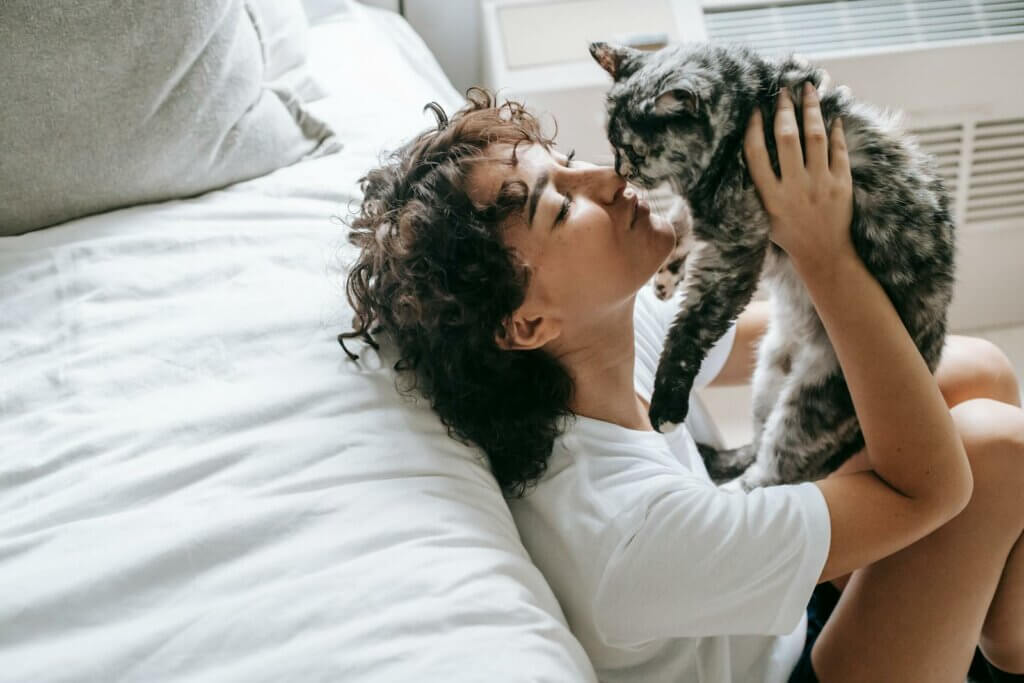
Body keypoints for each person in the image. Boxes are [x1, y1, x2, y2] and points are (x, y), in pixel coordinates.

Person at [339, 87, 1024, 682]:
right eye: (560, 206)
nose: (608, 178)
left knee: (974, 368)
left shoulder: (593, 344)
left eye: (571, 163)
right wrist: (822, 251)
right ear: (527, 324)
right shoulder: (626, 534)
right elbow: (932, 488)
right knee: (993, 452)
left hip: (753, 616)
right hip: (780, 670)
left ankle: (1004, 646)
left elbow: (801, 345)